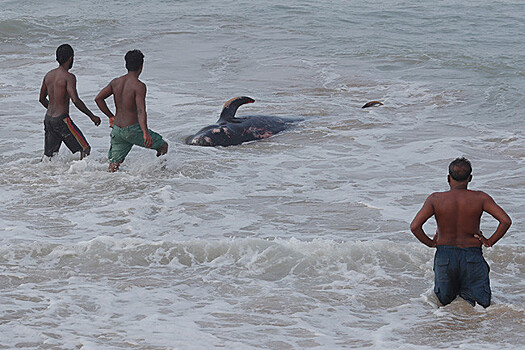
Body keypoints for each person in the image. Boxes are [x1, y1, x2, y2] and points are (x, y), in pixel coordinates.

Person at [410, 157, 511, 308]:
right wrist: (489, 241)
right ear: (470, 178)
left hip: (445, 257)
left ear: (448, 178)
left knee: (445, 306)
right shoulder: (480, 197)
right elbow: (505, 221)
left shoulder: (435, 199)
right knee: (480, 306)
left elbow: (415, 227)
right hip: (472, 255)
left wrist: (431, 243)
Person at [95, 49, 168, 172]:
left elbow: (98, 99)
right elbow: (140, 111)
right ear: (141, 66)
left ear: (126, 65)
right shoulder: (139, 86)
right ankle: (161, 176)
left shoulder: (116, 82)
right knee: (163, 146)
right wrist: (145, 132)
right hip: (132, 130)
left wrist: (111, 116)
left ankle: (106, 188)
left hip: (117, 130)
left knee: (113, 166)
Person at [39, 44, 101, 159]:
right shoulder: (68, 77)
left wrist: (52, 112)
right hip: (62, 120)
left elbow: (41, 99)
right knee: (85, 149)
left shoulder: (49, 75)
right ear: (71, 58)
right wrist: (92, 116)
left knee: (49, 157)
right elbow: (75, 100)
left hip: (48, 119)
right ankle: (79, 176)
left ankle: (44, 175)